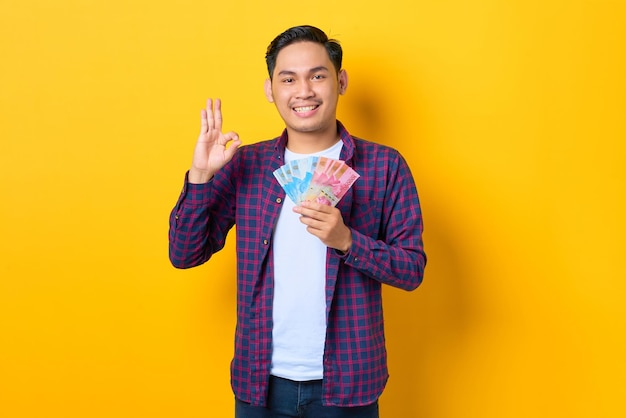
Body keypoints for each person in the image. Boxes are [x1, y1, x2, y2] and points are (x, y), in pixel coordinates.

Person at [169, 25, 426, 418]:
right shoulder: (246, 165)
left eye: (317, 75)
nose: (303, 90)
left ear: (340, 81)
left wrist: (348, 242)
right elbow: (184, 254)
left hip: (349, 385)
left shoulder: (385, 166)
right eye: (288, 79)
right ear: (271, 90)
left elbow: (412, 270)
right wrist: (201, 177)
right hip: (259, 384)